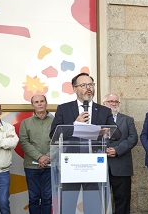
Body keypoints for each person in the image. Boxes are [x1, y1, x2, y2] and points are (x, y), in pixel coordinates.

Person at [50, 72, 119, 214]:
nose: (88, 88)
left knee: (93, 206)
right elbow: (53, 134)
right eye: (83, 85)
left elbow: (117, 133)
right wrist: (75, 124)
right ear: (74, 89)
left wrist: (106, 131)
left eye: (91, 85)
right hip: (71, 164)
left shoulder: (104, 110)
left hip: (94, 163)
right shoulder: (64, 108)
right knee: (68, 205)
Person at [102, 93, 138, 214]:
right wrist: (104, 150)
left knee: (122, 200)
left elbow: (133, 138)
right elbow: (91, 138)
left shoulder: (128, 120)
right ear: (104, 104)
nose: (113, 103)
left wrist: (117, 150)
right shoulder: (97, 120)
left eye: (116, 101)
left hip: (122, 166)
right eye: (110, 101)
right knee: (101, 200)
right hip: (101, 166)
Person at [19, 95, 53, 214]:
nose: (39, 104)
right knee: (33, 198)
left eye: (42, 101)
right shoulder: (25, 123)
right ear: (32, 105)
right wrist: (40, 157)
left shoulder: (56, 121)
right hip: (31, 167)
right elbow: (23, 142)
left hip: (50, 166)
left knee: (47, 199)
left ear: (46, 103)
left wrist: (47, 157)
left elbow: (58, 141)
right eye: (36, 102)